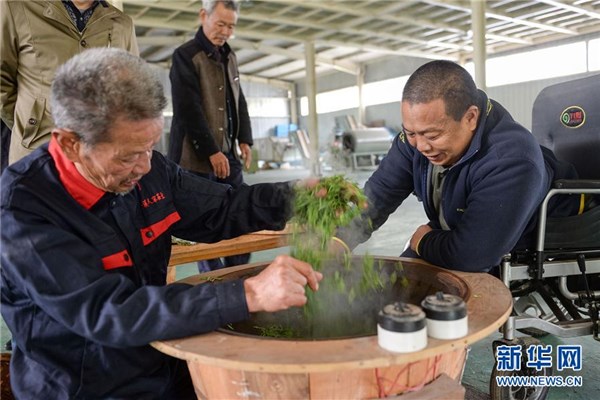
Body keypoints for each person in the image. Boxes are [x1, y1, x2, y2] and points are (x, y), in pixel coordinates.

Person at [0, 47, 323, 399]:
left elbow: (221, 207)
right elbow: (110, 312)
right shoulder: (23, 211)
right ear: (71, 143)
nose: (143, 166)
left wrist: (295, 198)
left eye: (151, 146)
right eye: (128, 156)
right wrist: (248, 293)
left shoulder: (149, 170)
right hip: (86, 385)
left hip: (161, 363)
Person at [337, 60, 583, 273]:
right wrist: (339, 240)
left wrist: (424, 241)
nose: (420, 146)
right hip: (459, 228)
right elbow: (378, 196)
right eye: (411, 132)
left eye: (432, 135)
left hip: (518, 236)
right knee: (395, 290)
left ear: (470, 118)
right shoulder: (415, 140)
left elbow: (474, 256)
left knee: (432, 311)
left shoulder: (510, 159)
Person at [168, 0, 253, 271]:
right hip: (195, 157)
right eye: (221, 24)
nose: (226, 31)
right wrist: (210, 151)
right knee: (204, 220)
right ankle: (215, 280)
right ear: (203, 16)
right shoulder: (186, 55)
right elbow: (187, 109)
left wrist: (244, 139)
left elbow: (239, 100)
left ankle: (237, 273)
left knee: (241, 209)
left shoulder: (230, 57)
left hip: (228, 152)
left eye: (231, 26)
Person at [0, 0, 138, 165]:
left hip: (100, 155)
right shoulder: (17, 7)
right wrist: (30, 121)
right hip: (37, 148)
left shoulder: (122, 23)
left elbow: (131, 88)